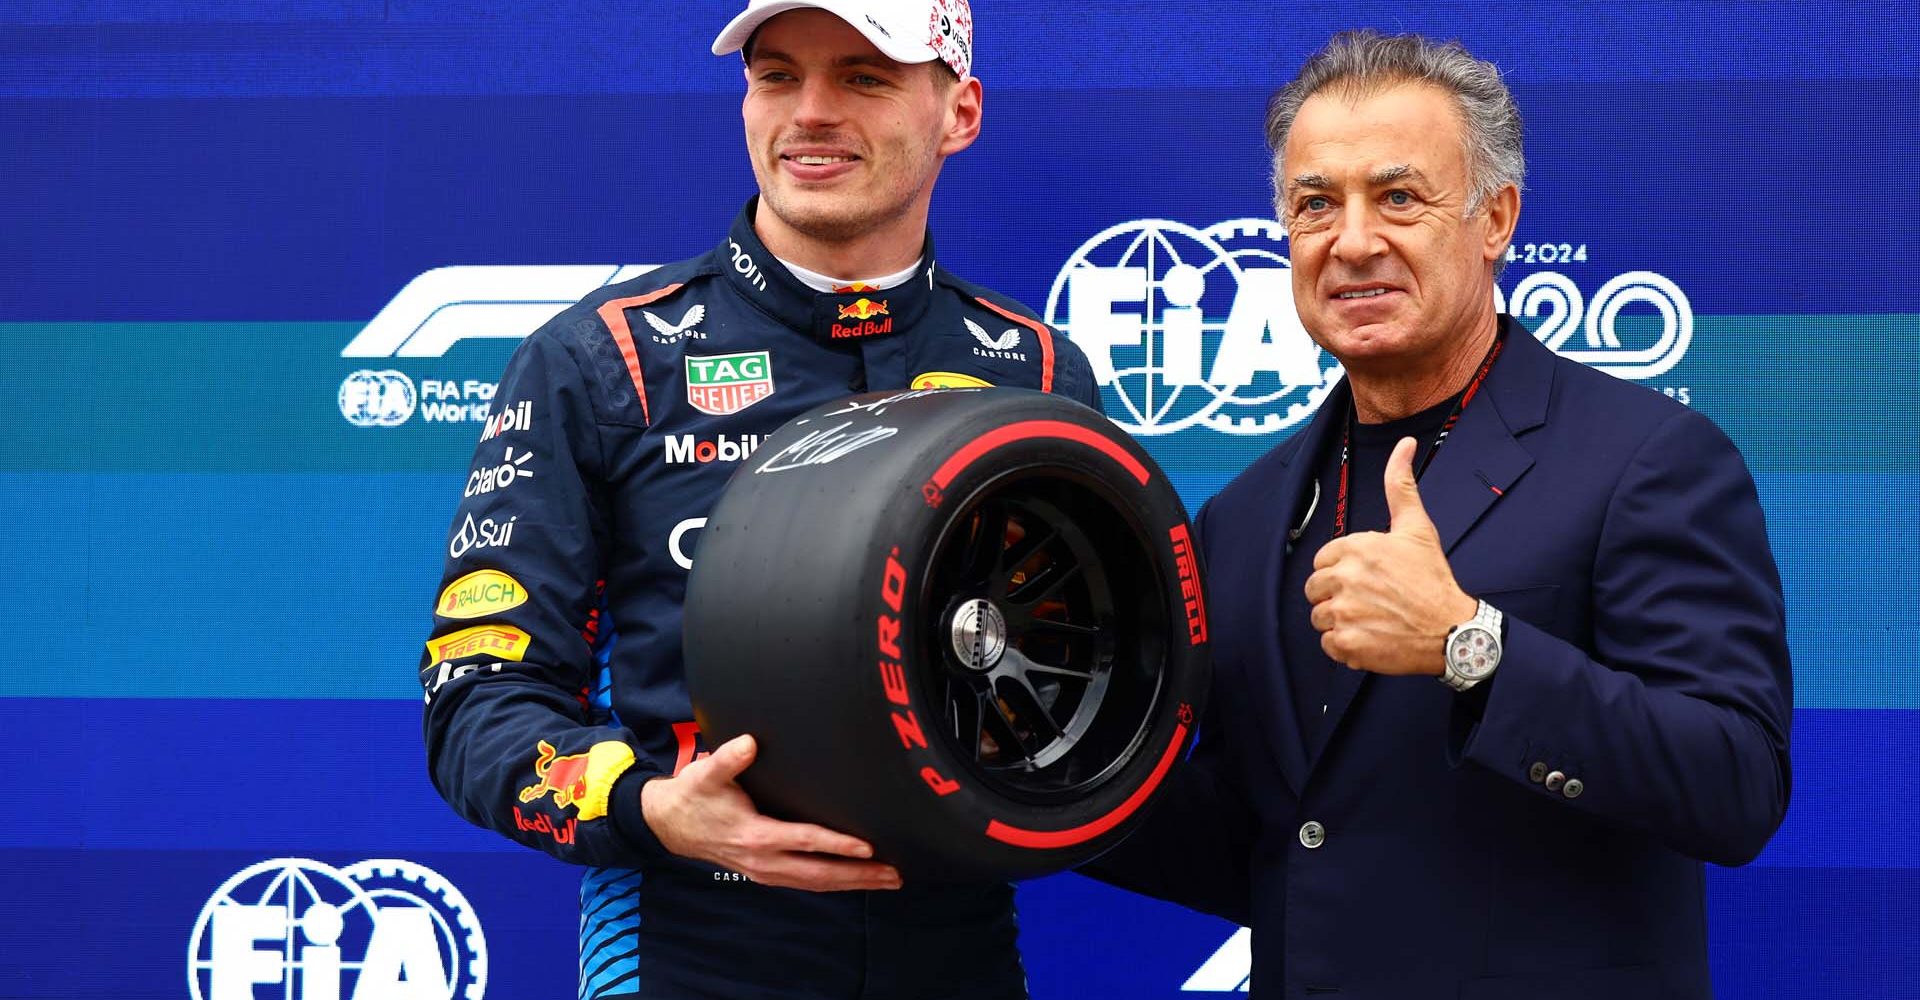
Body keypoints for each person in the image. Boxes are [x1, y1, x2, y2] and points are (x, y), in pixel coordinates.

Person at [1088, 30, 1792, 999]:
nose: (1353, 240)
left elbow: (1735, 782)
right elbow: (1271, 844)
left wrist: (1473, 645)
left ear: (1496, 217)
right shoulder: (1242, 517)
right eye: (1314, 204)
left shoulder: (1648, 460)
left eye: (1399, 197)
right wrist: (1034, 762)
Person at [418, 2, 1101, 997]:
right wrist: (650, 804)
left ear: (960, 111)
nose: (810, 112)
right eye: (777, 76)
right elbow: (476, 694)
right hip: (688, 946)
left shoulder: (1038, 373)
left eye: (863, 78)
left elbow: (1100, 679)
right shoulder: (603, 362)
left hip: (958, 953)